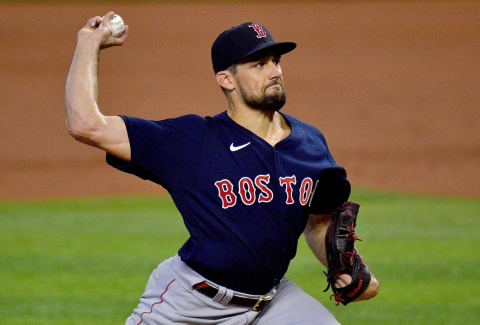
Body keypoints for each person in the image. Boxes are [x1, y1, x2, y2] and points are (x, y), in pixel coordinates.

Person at [65, 12, 379, 325]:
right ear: (226, 79)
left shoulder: (310, 143)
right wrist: (88, 43)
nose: (274, 72)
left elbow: (320, 222)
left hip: (272, 303)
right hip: (191, 305)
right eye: (259, 64)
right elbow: (86, 125)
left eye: (275, 61)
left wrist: (347, 270)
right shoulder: (191, 142)